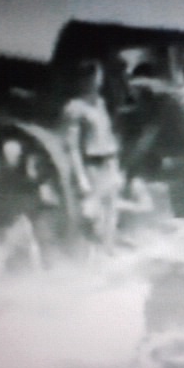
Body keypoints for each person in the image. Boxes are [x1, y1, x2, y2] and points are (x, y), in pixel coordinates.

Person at [62, 60, 123, 252]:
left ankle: (109, 250)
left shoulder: (100, 103)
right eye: (92, 78)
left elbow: (107, 134)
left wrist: (115, 166)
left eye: (98, 78)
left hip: (109, 162)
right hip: (92, 166)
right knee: (92, 216)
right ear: (83, 80)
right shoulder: (75, 108)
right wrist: (81, 178)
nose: (97, 82)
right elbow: (72, 146)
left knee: (111, 211)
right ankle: (87, 258)